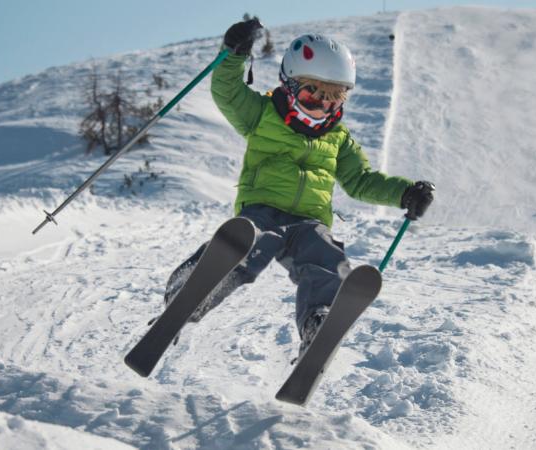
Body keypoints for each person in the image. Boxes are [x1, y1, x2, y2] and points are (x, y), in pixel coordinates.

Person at [162, 19, 434, 357]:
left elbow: (360, 180)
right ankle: (189, 293)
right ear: (289, 85)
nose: (322, 107)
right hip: (261, 210)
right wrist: (234, 54)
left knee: (325, 258)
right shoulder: (262, 113)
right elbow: (228, 93)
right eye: (312, 95)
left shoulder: (339, 138)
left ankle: (318, 321)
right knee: (247, 244)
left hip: (308, 221)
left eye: (333, 100)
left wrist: (404, 193)